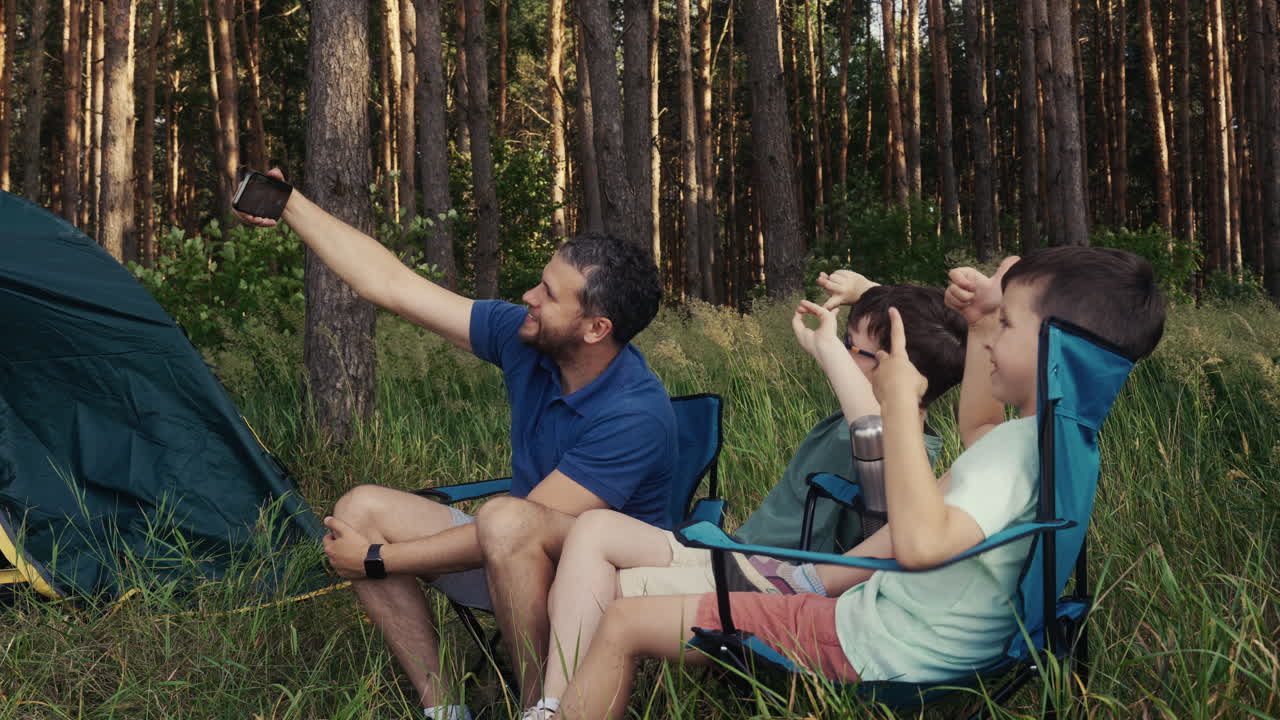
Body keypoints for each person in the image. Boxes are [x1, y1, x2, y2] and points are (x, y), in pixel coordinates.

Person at [549, 246, 1167, 720]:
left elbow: (920, 544)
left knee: (624, 622)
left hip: (878, 646)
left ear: (1057, 349)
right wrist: (980, 322)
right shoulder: (1053, 441)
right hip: (903, 630)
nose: (993, 339)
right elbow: (978, 422)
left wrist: (899, 404)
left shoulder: (1014, 457)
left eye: (1007, 325)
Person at [234, 169, 677, 720]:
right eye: (540, 282)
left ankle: (539, 708)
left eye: (549, 294)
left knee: (508, 524)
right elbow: (389, 285)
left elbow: (518, 529)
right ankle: (444, 711)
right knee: (360, 509)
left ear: (595, 328)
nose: (528, 297)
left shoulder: (635, 413)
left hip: (599, 592)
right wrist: (291, 205)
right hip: (513, 552)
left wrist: (376, 561)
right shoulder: (526, 339)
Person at [506, 273, 970, 720]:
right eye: (845, 344)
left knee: (589, 592)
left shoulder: (903, 447)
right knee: (594, 527)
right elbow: (913, 345)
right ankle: (550, 705)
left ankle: (562, 704)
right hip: (741, 556)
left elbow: (873, 430)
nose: (844, 356)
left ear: (901, 374)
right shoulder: (873, 409)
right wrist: (863, 293)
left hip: (779, 578)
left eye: (856, 350)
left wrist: (829, 349)